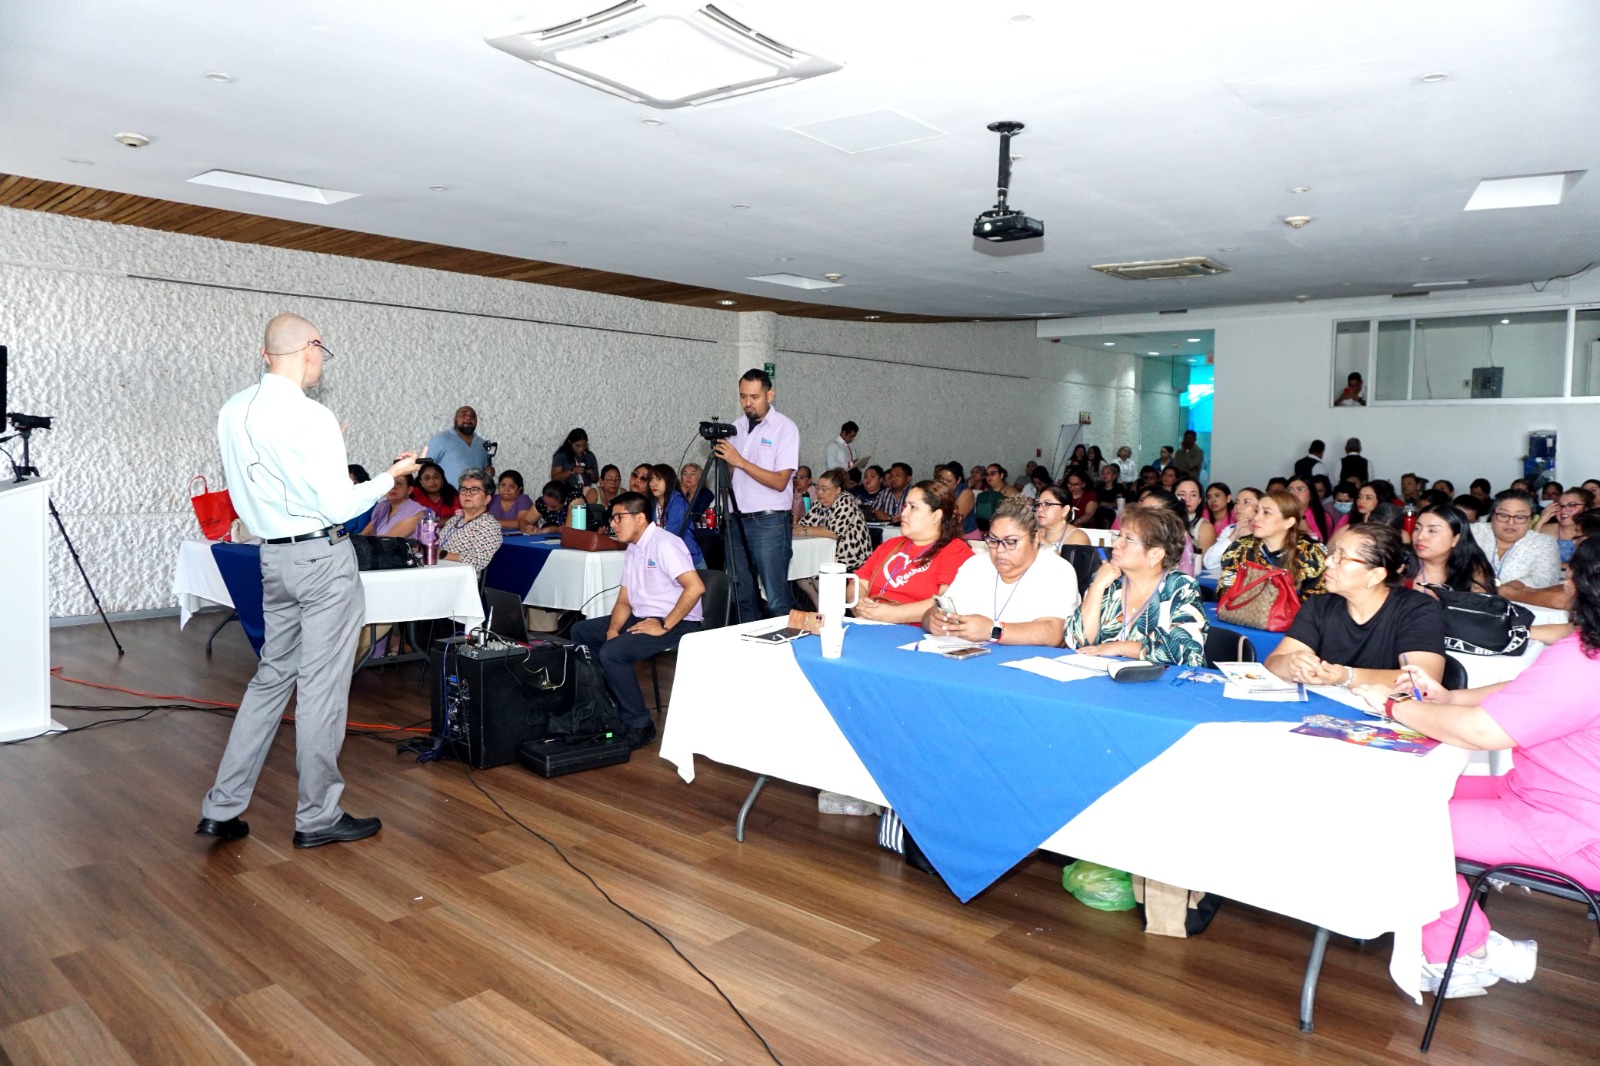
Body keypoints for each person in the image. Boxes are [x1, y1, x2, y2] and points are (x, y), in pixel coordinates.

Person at [200, 312, 423, 848]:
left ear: (265, 355)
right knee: (322, 688)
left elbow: (269, 477)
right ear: (311, 349)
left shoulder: (232, 410)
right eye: (323, 350)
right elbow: (339, 504)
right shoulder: (311, 416)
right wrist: (389, 478)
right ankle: (318, 816)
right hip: (321, 560)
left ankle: (222, 807)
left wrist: (325, 452)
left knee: (271, 678)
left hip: (272, 558)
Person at [1351, 537, 1600, 997]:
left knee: (1398, 821)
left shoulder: (1585, 660)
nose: (1564, 582)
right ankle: (1461, 935)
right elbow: (1531, 689)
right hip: (1542, 795)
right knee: (1408, 796)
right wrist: (1449, 698)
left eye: (1570, 575)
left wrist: (1393, 707)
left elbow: (1484, 733)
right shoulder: (1584, 653)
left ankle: (1464, 951)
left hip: (1570, 827)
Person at [569, 492, 705, 750]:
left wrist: (664, 624)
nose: (612, 524)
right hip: (642, 615)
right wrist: (612, 629)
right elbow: (624, 600)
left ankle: (640, 724)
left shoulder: (665, 544)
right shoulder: (634, 548)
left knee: (613, 653)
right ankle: (607, 707)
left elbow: (695, 587)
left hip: (679, 620)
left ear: (640, 518)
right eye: (612, 518)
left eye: (618, 517)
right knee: (581, 632)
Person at [1265, 525, 1446, 688]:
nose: (1328, 562)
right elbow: (1272, 663)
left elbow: (1423, 680)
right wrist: (1290, 664)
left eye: (1341, 557)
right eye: (1333, 554)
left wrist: (1346, 677)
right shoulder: (1320, 606)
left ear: (1375, 575)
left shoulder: (1416, 609)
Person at [923, 496, 1080, 646]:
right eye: (993, 541)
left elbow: (1056, 633)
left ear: (1036, 538)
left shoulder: (1057, 571)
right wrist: (932, 620)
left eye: (1011, 542)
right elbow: (936, 611)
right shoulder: (975, 565)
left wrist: (993, 630)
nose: (1000, 550)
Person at [1064, 506, 1207, 666]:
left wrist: (1121, 647)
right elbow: (1075, 640)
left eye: (1128, 539)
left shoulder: (1181, 587)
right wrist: (1097, 587)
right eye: (1118, 536)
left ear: (1156, 553)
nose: (1116, 543)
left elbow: (1188, 652)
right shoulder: (1109, 581)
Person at [711, 368, 799, 621]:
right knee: (743, 595)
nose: (747, 403)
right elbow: (727, 479)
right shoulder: (734, 427)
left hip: (769, 521)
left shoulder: (785, 428)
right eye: (742, 397)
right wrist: (726, 463)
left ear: (769, 395)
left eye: (754, 397)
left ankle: (783, 652)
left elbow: (781, 481)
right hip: (735, 519)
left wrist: (740, 461)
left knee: (775, 597)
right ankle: (751, 651)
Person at [851, 481, 973, 624]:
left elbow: (947, 600)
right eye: (905, 506)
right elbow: (859, 582)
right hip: (869, 623)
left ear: (936, 516)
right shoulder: (891, 545)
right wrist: (858, 603)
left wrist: (893, 614)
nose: (903, 513)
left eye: (913, 507)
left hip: (914, 632)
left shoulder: (955, 550)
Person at [1219, 488, 1328, 597]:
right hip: (1246, 611)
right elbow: (1225, 591)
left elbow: (1318, 601)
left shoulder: (1310, 553)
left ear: (1288, 522)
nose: (1256, 517)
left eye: (1266, 512)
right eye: (1257, 511)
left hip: (1297, 613)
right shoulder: (1240, 548)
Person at [1470, 489, 1564, 599]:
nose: (1511, 522)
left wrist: (1510, 588)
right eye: (1503, 515)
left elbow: (1545, 579)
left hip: (1521, 606)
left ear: (1531, 519)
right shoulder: (1473, 532)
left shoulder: (1544, 543)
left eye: (1520, 517)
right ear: (1492, 515)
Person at [1407, 504, 1496, 594]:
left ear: (1455, 539)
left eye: (1432, 531)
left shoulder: (1473, 574)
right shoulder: (1402, 567)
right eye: (1417, 528)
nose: (1420, 537)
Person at [797, 467, 872, 571]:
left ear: (838, 490)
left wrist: (804, 530)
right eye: (818, 488)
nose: (819, 493)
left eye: (824, 489)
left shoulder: (846, 501)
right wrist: (798, 528)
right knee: (800, 571)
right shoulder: (818, 503)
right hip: (826, 555)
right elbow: (803, 524)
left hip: (850, 558)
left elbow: (833, 532)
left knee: (814, 573)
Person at [436, 468, 502, 574]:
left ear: (487, 499)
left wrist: (442, 554)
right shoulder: (454, 520)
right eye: (464, 489)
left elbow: (477, 561)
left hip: (460, 580)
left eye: (475, 490)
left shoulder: (488, 525)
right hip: (437, 571)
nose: (468, 494)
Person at [648, 463, 704, 569]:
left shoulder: (677, 501)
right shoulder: (654, 503)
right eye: (651, 479)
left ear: (669, 481)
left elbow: (672, 533)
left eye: (659, 479)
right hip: (669, 559)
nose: (653, 483)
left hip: (688, 560)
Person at [1202, 486, 1260, 578]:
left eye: (1246, 502)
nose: (1238, 507)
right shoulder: (1230, 530)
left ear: (1259, 507)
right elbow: (1209, 562)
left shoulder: (1266, 531)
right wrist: (1233, 536)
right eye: (1236, 502)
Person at [425, 405, 489, 488]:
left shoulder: (482, 444)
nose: (468, 418)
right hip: (448, 497)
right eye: (463, 414)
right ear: (455, 419)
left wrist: (489, 473)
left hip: (475, 497)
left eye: (472, 415)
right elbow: (426, 469)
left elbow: (485, 470)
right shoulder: (441, 439)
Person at [360, 472, 425, 540]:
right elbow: (364, 536)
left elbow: (387, 541)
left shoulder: (416, 513)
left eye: (399, 483)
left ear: (409, 490)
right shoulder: (382, 506)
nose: (393, 487)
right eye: (389, 483)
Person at [1535, 487, 1594, 562]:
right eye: (1561, 505)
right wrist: (1540, 522)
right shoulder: (1544, 530)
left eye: (1572, 505)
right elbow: (1527, 555)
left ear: (1586, 508)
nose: (1564, 510)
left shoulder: (1593, 533)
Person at [1035, 484, 1091, 550]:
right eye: (1038, 504)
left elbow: (1069, 560)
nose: (1039, 509)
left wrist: (1047, 544)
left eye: (1047, 504)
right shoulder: (1036, 534)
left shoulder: (1078, 537)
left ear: (1065, 510)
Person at [1173, 477, 1216, 552]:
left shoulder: (1205, 527)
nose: (1187, 499)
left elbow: (1200, 560)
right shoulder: (1165, 520)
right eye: (1182, 494)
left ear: (1199, 500)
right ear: (1172, 497)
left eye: (1193, 495)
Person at [550, 428, 599, 493]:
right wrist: (572, 471)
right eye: (577, 445)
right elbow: (555, 478)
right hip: (567, 493)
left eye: (584, 445)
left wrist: (592, 474)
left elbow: (595, 479)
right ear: (570, 442)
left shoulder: (589, 456)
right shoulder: (561, 456)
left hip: (587, 492)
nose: (581, 449)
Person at [1287, 475, 1333, 543]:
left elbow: (1319, 546)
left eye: (1300, 489)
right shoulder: (1282, 513)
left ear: (1311, 493)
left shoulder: (1321, 515)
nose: (1294, 493)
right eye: (1290, 490)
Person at [935, 462, 978, 534]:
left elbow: (956, 520)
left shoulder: (966, 493)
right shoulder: (941, 490)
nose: (943, 482)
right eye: (942, 479)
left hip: (966, 535)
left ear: (958, 480)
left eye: (948, 481)